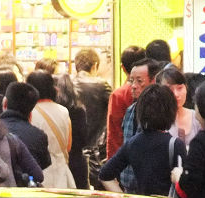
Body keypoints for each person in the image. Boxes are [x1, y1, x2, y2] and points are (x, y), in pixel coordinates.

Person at [100, 84, 186, 196]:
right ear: (171, 111)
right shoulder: (175, 144)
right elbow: (186, 185)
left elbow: (105, 175)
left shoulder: (133, 143)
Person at [118, 58, 163, 192]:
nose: (133, 85)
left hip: (150, 187)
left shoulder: (161, 113)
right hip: (128, 183)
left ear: (153, 81)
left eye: (139, 81)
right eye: (131, 81)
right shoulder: (130, 110)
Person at [27, 70, 75, 188]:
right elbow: (68, 146)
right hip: (62, 175)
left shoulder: (29, 112)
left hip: (40, 175)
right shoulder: (64, 111)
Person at [72, 49, 112, 189]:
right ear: (95, 66)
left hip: (73, 149)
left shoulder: (66, 85)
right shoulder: (102, 86)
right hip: (97, 150)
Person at [0, 81, 52, 174]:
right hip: (27, 186)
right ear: (31, 113)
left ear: (5, 103)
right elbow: (42, 165)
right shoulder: (38, 136)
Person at [106, 45, 146, 159]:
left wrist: (113, 164)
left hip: (125, 156)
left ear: (122, 67)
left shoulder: (119, 95)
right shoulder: (153, 89)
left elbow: (114, 134)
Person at [54, 73, 88, 189]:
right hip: (77, 161)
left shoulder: (54, 111)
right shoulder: (79, 110)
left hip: (58, 161)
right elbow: (83, 139)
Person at [156, 66, 202, 149]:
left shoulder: (197, 117)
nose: (176, 94)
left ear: (186, 88)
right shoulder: (156, 120)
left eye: (180, 88)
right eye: (169, 89)